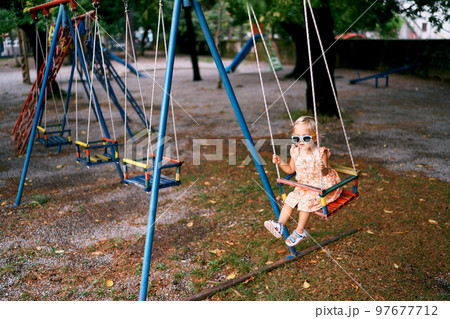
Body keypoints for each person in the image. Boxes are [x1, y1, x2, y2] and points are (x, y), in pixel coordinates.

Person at [264, 116, 342, 247]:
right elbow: (290, 169)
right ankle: (280, 225)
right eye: (296, 138)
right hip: (305, 186)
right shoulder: (295, 151)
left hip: (321, 187)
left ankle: (300, 232)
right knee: (290, 198)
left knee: (305, 203)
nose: (300, 142)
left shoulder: (320, 153)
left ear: (315, 138)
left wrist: (323, 168)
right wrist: (280, 162)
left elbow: (326, 173)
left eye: (305, 138)